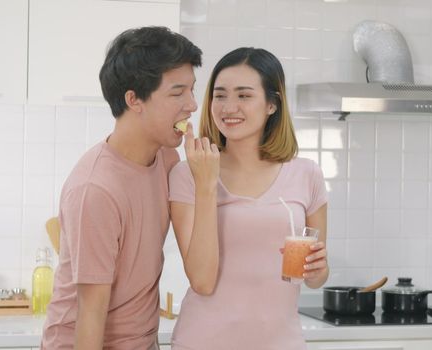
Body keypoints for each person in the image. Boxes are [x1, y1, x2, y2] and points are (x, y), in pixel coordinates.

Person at [41, 26, 202, 350]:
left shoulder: (166, 156)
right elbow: (91, 313)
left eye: (191, 90)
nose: (192, 105)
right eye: (177, 93)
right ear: (134, 99)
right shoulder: (96, 190)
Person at [168, 47, 328, 349]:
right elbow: (201, 280)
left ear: (271, 104)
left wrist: (319, 270)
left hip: (282, 342)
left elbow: (314, 278)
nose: (229, 107)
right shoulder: (187, 174)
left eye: (244, 95)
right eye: (220, 95)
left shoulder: (307, 174)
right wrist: (206, 184)